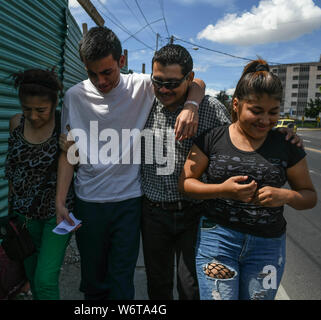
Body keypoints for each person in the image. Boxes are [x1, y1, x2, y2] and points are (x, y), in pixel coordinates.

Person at [55, 26, 205, 300]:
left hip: (129, 203)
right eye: (92, 73)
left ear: (121, 60)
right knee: (93, 281)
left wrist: (191, 107)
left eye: (107, 72)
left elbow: (195, 83)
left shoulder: (143, 86)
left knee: (121, 281)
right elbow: (69, 151)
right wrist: (60, 201)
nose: (100, 81)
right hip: (88, 202)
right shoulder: (73, 97)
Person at [178, 59, 317, 300]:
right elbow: (186, 182)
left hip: (267, 246)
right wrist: (221, 190)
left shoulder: (287, 145)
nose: (265, 120)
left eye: (273, 112)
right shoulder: (213, 138)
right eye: (256, 111)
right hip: (218, 239)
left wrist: (286, 195)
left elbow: (309, 196)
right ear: (236, 104)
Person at [140, 44, 231, 300]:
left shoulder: (211, 110)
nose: (164, 90)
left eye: (172, 83)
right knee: (157, 284)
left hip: (197, 214)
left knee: (191, 287)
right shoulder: (143, 103)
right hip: (153, 213)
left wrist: (282, 136)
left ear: (189, 79)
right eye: (158, 82)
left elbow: (237, 145)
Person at [4, 68, 75, 300]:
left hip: (57, 216)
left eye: (41, 110)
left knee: (45, 280)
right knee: (33, 277)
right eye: (27, 109)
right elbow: (12, 170)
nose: (33, 116)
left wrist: (60, 203)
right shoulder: (16, 123)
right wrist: (11, 213)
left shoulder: (64, 126)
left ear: (54, 103)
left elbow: (73, 165)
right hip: (24, 217)